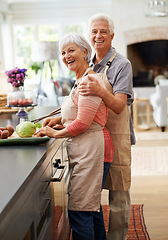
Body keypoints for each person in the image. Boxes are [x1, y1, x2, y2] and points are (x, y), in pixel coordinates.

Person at [36, 33, 113, 240]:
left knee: (80, 210)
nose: (66, 56)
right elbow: (78, 113)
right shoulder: (80, 79)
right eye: (63, 52)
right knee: (90, 208)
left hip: (90, 150)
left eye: (71, 50)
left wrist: (55, 133)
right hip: (84, 148)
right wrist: (59, 120)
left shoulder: (89, 81)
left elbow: (83, 123)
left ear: (85, 52)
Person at [78, 13, 136, 240]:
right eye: (94, 31)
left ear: (112, 35)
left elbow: (120, 106)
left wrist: (100, 91)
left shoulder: (123, 65)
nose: (98, 36)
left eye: (103, 31)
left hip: (117, 135)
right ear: (89, 36)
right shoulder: (88, 63)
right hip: (93, 138)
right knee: (90, 194)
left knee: (119, 196)